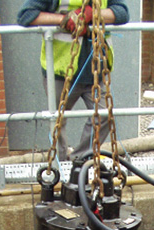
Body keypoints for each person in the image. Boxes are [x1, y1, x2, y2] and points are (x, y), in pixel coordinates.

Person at [17, 0, 129, 161]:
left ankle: (79, 160)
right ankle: (61, 163)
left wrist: (92, 13)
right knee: (57, 121)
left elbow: (122, 13)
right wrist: (63, 19)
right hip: (61, 71)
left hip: (95, 71)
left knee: (104, 116)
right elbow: (26, 15)